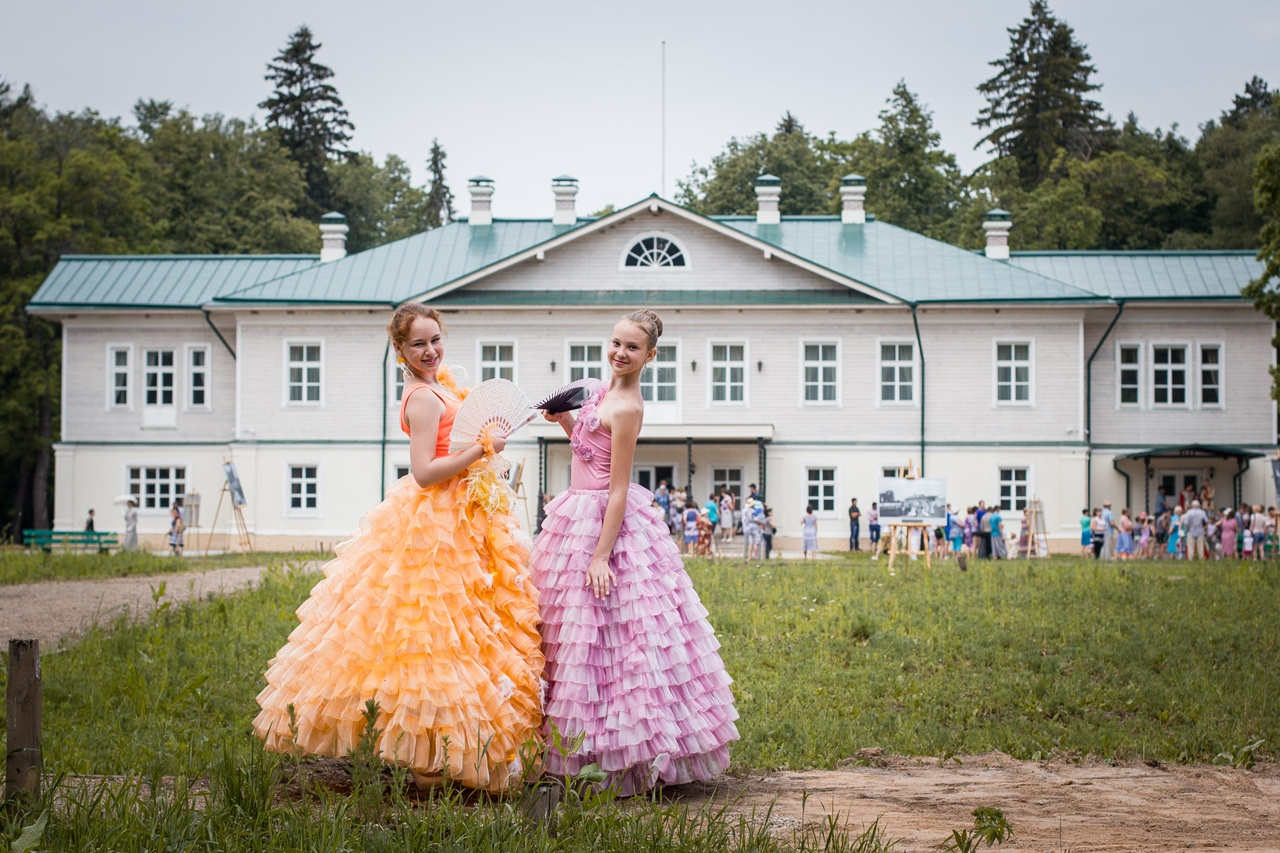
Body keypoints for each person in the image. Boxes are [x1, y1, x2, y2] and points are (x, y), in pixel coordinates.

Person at [254, 305, 543, 792]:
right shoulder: (424, 399)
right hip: (438, 521)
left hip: (468, 514)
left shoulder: (442, 385)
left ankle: (463, 750)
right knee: (430, 637)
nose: (430, 351)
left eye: (435, 340)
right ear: (400, 351)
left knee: (473, 630)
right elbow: (426, 472)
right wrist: (482, 449)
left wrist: (483, 451)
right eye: (417, 345)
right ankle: (428, 760)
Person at [531, 310, 738, 796]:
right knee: (572, 635)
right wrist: (565, 421)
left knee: (616, 640)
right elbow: (588, 453)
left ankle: (622, 758)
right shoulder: (599, 394)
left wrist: (601, 556)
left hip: (605, 522)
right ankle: (575, 748)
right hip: (574, 514)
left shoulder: (627, 407)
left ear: (651, 356)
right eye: (616, 343)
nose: (620, 353)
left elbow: (618, 488)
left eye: (632, 347)